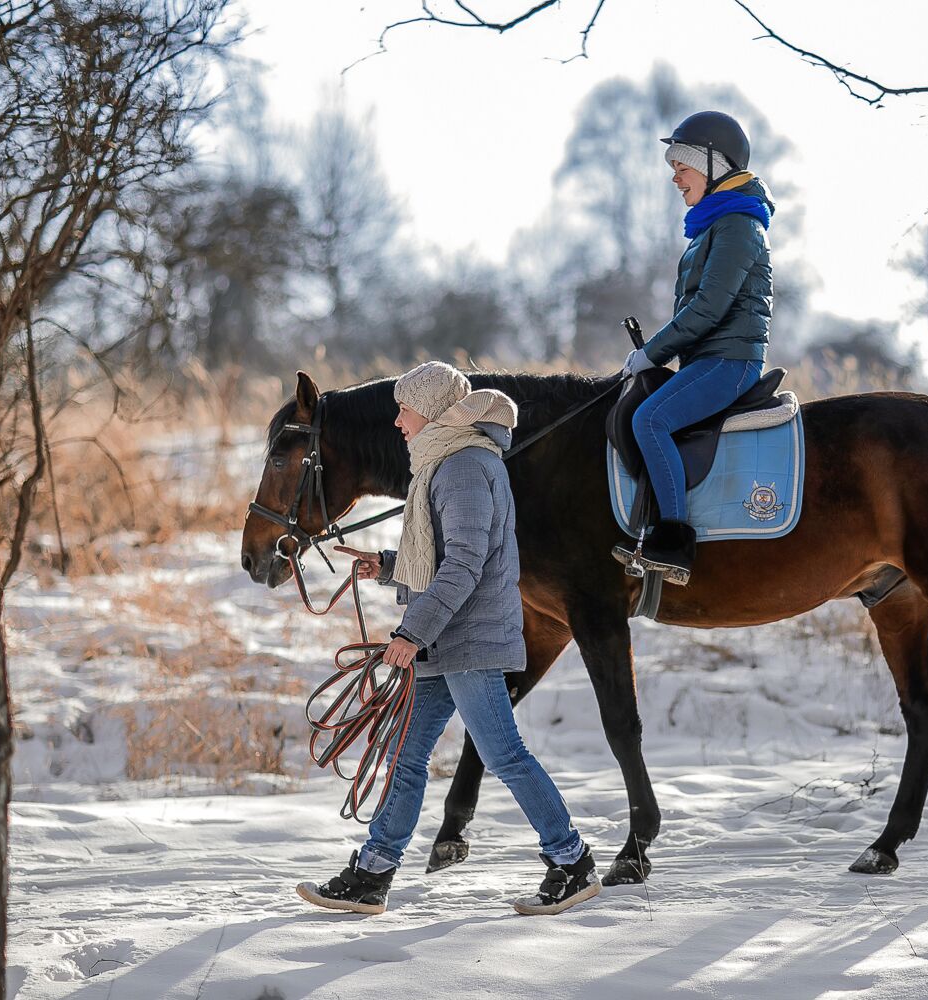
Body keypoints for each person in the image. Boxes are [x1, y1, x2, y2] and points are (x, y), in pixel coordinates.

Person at [296, 361, 600, 917]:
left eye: (404, 408)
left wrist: (412, 633)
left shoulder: (462, 466)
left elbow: (463, 565)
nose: (396, 420)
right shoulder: (443, 462)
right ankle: (373, 873)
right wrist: (387, 566)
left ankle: (571, 861)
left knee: (503, 753)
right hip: (446, 641)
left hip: (469, 640)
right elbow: (440, 558)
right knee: (407, 757)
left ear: (433, 411)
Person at [620, 110, 774, 582]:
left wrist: (652, 353)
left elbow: (707, 309)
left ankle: (673, 544)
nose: (675, 178)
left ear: (711, 166)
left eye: (681, 168)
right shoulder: (715, 225)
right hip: (708, 359)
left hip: (729, 361)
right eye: (672, 169)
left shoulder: (737, 226)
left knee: (651, 419)